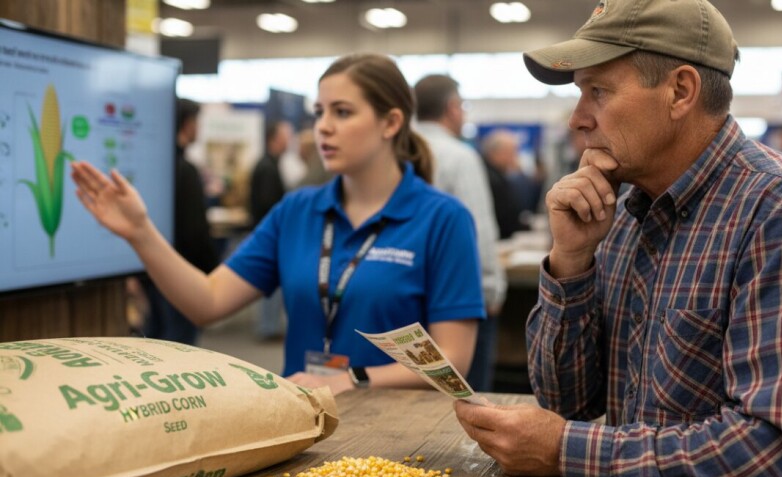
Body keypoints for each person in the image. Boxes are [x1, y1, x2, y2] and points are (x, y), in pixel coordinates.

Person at [453, 0, 782, 477]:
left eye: (598, 91)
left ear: (680, 91)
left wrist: (562, 448)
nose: (577, 119)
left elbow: (774, 455)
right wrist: (571, 261)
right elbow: (565, 400)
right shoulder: (626, 211)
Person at [72, 53, 484, 395]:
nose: (323, 126)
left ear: (391, 123)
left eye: (342, 112)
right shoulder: (297, 211)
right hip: (304, 424)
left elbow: (451, 360)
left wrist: (354, 379)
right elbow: (208, 302)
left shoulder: (443, 219)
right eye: (319, 112)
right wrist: (141, 233)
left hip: (397, 436)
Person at [414, 74, 507, 392]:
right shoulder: (460, 156)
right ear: (452, 108)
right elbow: (478, 226)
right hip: (460, 296)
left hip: (408, 291)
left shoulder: (394, 153)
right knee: (465, 392)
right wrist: (492, 287)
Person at [139, 98, 219, 345]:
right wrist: (210, 272)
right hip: (183, 272)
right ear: (187, 124)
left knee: (154, 340)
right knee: (179, 346)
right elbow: (195, 232)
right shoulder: (185, 171)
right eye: (197, 122)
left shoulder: (150, 167)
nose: (199, 129)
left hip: (150, 269)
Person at [249, 120, 293, 342]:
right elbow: (268, 204)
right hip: (269, 236)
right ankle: (268, 328)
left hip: (270, 234)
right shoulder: (267, 166)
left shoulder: (270, 163)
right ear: (274, 138)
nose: (289, 141)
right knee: (269, 286)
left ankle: (270, 327)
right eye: (285, 136)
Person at [481, 129, 531, 239]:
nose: (515, 157)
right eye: (512, 152)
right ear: (496, 153)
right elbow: (504, 217)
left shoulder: (498, 175)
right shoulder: (491, 179)